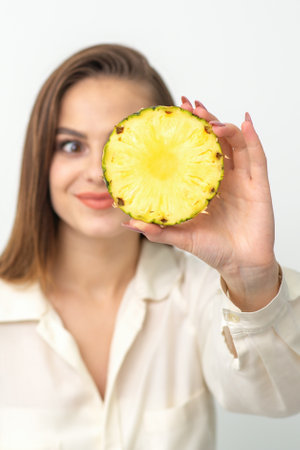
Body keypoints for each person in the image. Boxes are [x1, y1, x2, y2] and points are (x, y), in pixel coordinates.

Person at [0, 43, 299, 450]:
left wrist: (252, 276)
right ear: (40, 158)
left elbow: (279, 398)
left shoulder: (204, 293)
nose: (96, 172)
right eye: (71, 145)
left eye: (120, 145)